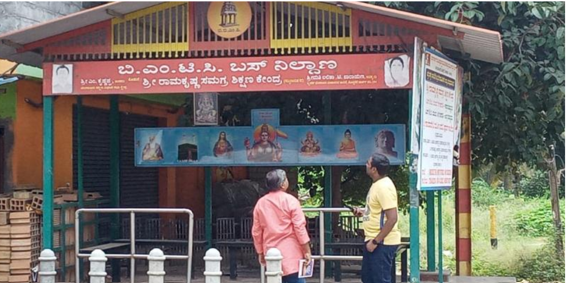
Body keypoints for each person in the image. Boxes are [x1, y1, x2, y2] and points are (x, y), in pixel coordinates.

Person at [252, 169, 312, 283]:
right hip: (291, 253)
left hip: (270, 252)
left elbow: (256, 231)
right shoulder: (291, 201)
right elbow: (299, 228)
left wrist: (260, 252)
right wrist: (307, 251)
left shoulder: (260, 203)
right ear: (283, 184)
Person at [352, 153, 401, 283]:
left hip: (381, 243)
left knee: (379, 279)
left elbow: (392, 218)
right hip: (373, 240)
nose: (366, 165)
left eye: (368, 163)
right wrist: (364, 212)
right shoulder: (377, 184)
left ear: (374, 169)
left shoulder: (383, 187)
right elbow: (379, 210)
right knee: (368, 278)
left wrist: (375, 242)